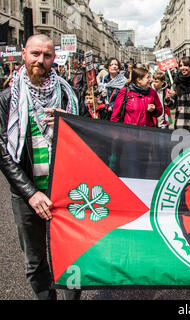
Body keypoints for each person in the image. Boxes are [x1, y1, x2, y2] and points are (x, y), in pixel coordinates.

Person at [0, 34, 80, 300]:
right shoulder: (6, 99)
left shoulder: (69, 94)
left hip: (66, 191)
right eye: (35, 54)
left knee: (71, 258)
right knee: (35, 263)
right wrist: (30, 193)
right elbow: (3, 152)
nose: (40, 60)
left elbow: (91, 135)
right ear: (24, 54)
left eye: (46, 56)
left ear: (53, 58)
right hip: (28, 194)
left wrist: (72, 123)